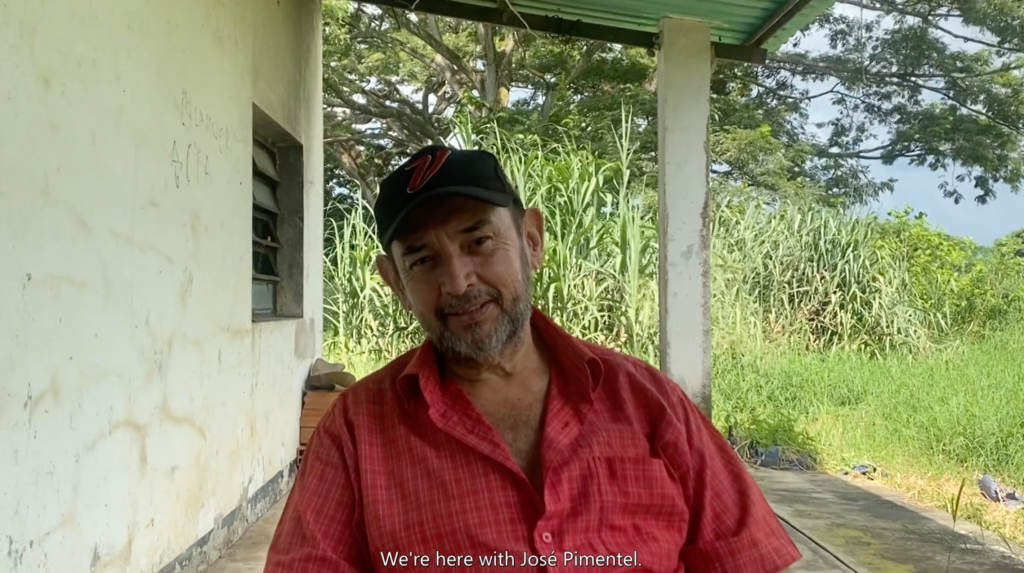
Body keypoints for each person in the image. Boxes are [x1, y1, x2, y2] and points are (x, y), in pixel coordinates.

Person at [264, 145, 801, 573]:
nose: (458, 282)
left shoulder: (648, 402)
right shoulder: (357, 432)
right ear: (396, 284)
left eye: (478, 242)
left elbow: (747, 557)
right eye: (424, 259)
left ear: (532, 240)